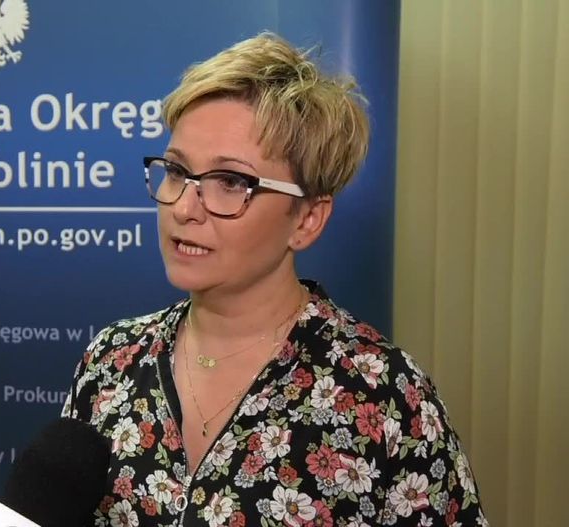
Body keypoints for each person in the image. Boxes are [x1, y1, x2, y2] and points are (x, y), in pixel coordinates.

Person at [61, 33, 486, 527]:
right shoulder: (112, 361)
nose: (183, 207)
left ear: (306, 219)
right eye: (176, 171)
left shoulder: (383, 395)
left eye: (230, 182)